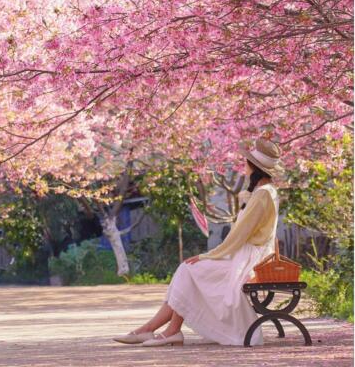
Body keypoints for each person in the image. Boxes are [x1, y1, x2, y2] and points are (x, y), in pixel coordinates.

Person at [113, 136, 283, 347]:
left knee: (189, 269)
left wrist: (208, 256)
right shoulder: (263, 193)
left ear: (254, 167)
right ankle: (162, 331)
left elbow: (240, 235)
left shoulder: (263, 195)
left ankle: (158, 330)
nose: (243, 167)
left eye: (246, 163)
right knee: (187, 270)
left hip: (248, 259)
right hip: (246, 254)